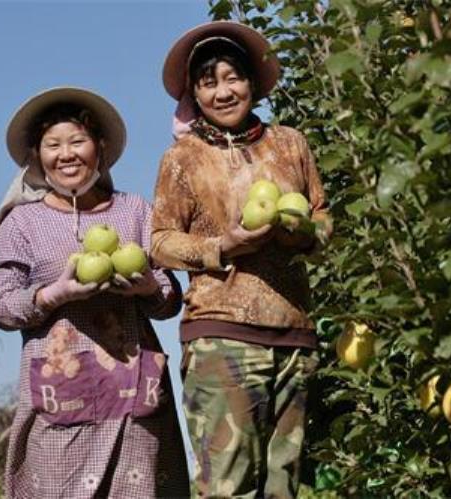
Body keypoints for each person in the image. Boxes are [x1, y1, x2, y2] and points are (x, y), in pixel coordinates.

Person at [152, 21, 333, 498]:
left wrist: (301, 232)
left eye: (233, 77)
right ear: (194, 93)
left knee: (283, 488)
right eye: (208, 82)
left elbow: (323, 218)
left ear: (252, 82)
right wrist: (221, 248)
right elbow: (161, 241)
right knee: (228, 487)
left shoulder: (289, 143)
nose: (223, 91)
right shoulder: (182, 158)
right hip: (221, 334)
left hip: (293, 332)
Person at [0, 87, 189, 498]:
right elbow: (1, 306)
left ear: (100, 147)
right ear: (36, 158)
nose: (67, 154)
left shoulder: (134, 212)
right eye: (53, 145)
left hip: (135, 392)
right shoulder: (21, 223)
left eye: (77, 141)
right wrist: (54, 294)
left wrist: (149, 287)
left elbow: (170, 299)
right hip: (61, 395)